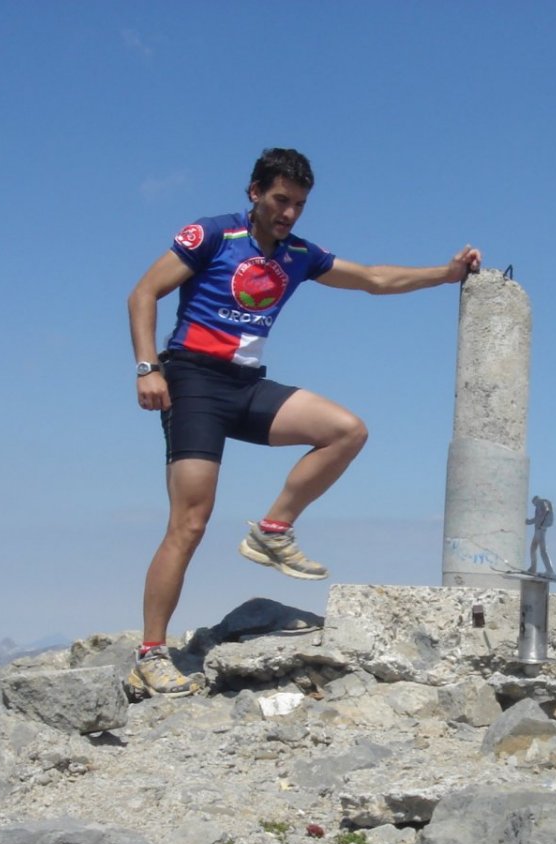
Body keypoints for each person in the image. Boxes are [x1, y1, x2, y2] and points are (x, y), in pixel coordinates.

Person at [126, 147, 481, 698]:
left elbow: (372, 279)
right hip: (192, 381)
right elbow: (143, 292)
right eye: (280, 200)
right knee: (190, 523)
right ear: (254, 193)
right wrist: (149, 368)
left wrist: (446, 273)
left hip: (246, 384)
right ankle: (151, 653)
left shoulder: (297, 255)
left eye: (299, 204)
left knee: (346, 430)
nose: (289, 213)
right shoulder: (214, 236)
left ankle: (274, 531)